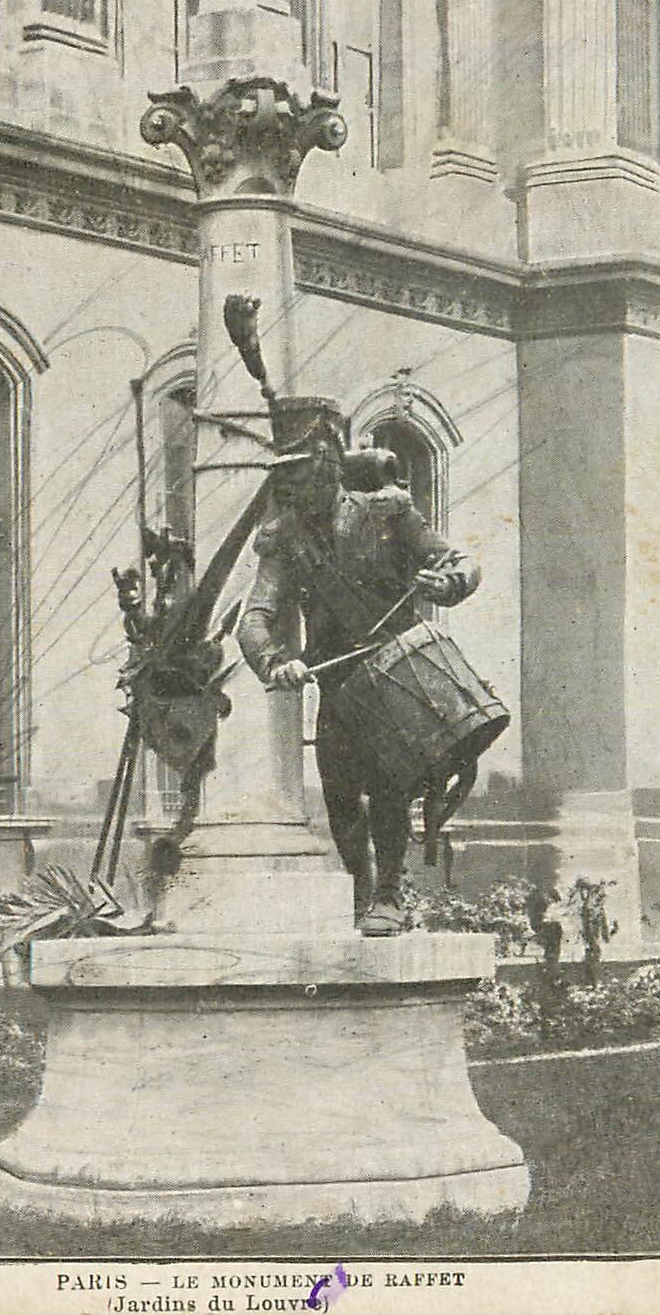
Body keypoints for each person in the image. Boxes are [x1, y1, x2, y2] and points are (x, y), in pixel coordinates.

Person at [238, 398, 480, 936]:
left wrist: (447, 584)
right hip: (336, 683)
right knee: (339, 793)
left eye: (297, 470)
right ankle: (360, 893)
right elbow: (256, 616)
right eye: (283, 474)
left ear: (327, 461)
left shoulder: (387, 513)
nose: (290, 485)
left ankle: (389, 893)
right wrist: (275, 662)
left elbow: (461, 562)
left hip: (397, 677)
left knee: (388, 786)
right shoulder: (285, 537)